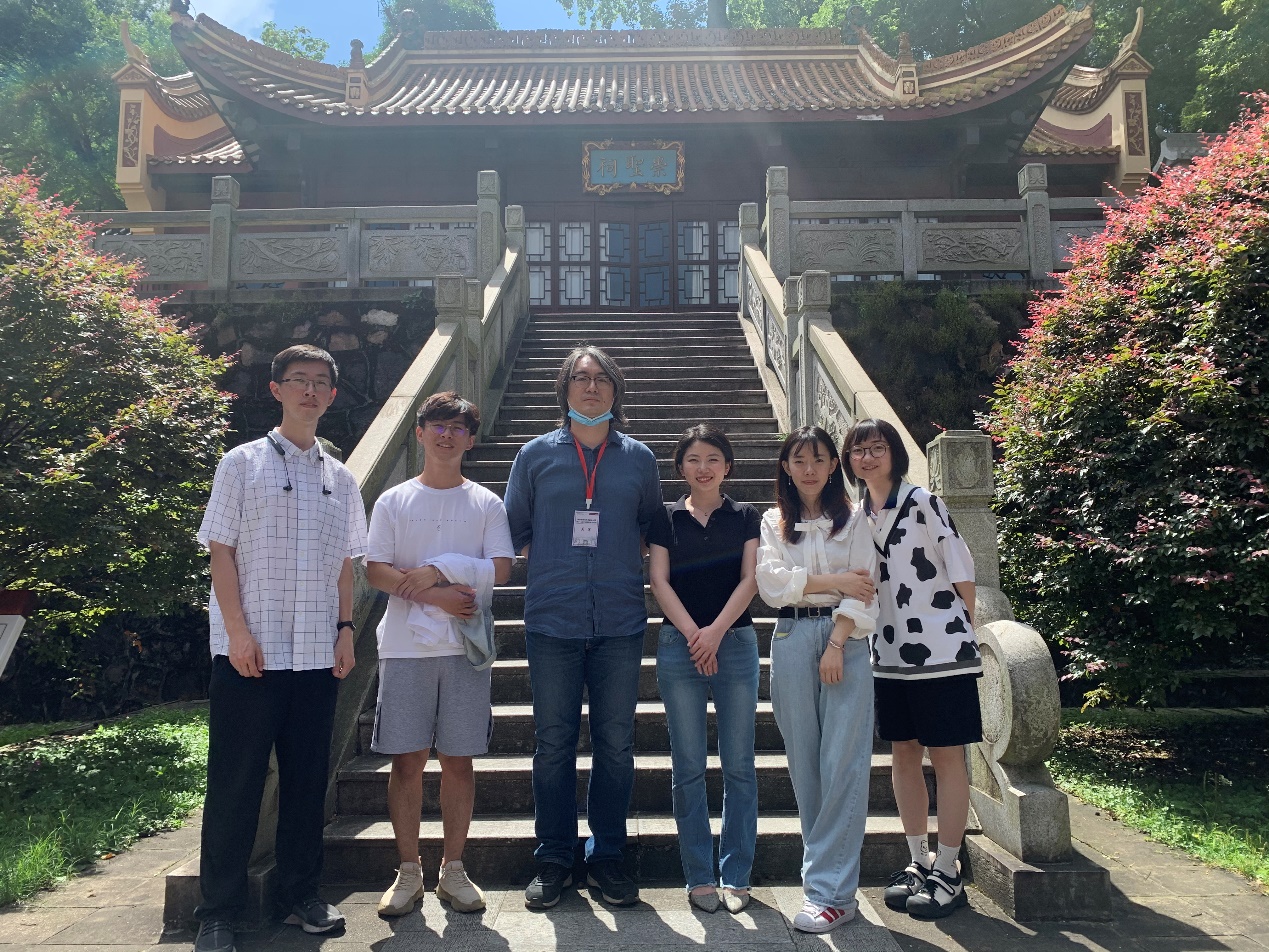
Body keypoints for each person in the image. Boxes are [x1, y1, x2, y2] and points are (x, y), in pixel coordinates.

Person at [194, 345, 368, 952]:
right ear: (276, 389)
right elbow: (221, 552)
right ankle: (218, 910)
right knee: (235, 783)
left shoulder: (341, 477)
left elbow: (344, 563)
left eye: (320, 383)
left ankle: (300, 895)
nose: (309, 391)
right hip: (252, 653)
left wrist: (346, 628)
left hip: (317, 654)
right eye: (299, 380)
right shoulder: (240, 464)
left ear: (332, 395)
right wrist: (237, 632)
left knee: (305, 783)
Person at [503, 345, 662, 909]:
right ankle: (554, 857)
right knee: (553, 745)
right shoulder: (534, 456)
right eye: (580, 377)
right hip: (553, 618)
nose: (591, 387)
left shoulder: (639, 459)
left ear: (616, 390)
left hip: (619, 619)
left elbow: (650, 526)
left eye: (601, 379)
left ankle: (607, 855)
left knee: (616, 745)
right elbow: (514, 526)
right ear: (564, 388)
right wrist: (554, 560)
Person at [364, 392, 514, 918]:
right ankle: (408, 870)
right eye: (438, 426)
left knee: (458, 758)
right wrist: (438, 595)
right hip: (404, 647)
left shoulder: (485, 503)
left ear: (471, 440)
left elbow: (501, 568)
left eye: (458, 428)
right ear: (420, 432)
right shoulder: (395, 500)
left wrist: (439, 568)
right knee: (406, 759)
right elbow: (376, 570)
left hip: (463, 647)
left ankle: (454, 868)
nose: (447, 435)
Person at [843, 418, 980, 920]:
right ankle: (918, 861)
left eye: (876, 447)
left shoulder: (922, 502)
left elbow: (960, 566)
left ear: (894, 454)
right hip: (889, 653)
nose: (867, 457)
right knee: (903, 753)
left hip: (941, 651)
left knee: (946, 755)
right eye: (858, 450)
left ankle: (949, 869)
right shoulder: (857, 515)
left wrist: (964, 628)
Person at [756, 425, 878, 935]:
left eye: (820, 459)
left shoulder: (856, 518)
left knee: (843, 764)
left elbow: (866, 586)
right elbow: (771, 586)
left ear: (833, 466)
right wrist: (833, 580)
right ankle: (826, 885)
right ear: (786, 467)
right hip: (789, 639)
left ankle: (831, 894)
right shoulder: (772, 521)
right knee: (805, 766)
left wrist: (836, 643)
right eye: (799, 460)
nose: (809, 469)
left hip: (844, 639)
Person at [647, 424, 761, 915]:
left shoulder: (747, 516)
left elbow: (751, 579)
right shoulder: (665, 517)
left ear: (728, 466)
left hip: (734, 644)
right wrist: (696, 634)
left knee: (740, 765)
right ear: (680, 467)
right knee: (688, 765)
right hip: (680, 646)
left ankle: (737, 874)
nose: (704, 467)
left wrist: (714, 633)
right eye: (693, 459)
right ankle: (699, 875)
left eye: (713, 458)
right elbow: (659, 580)